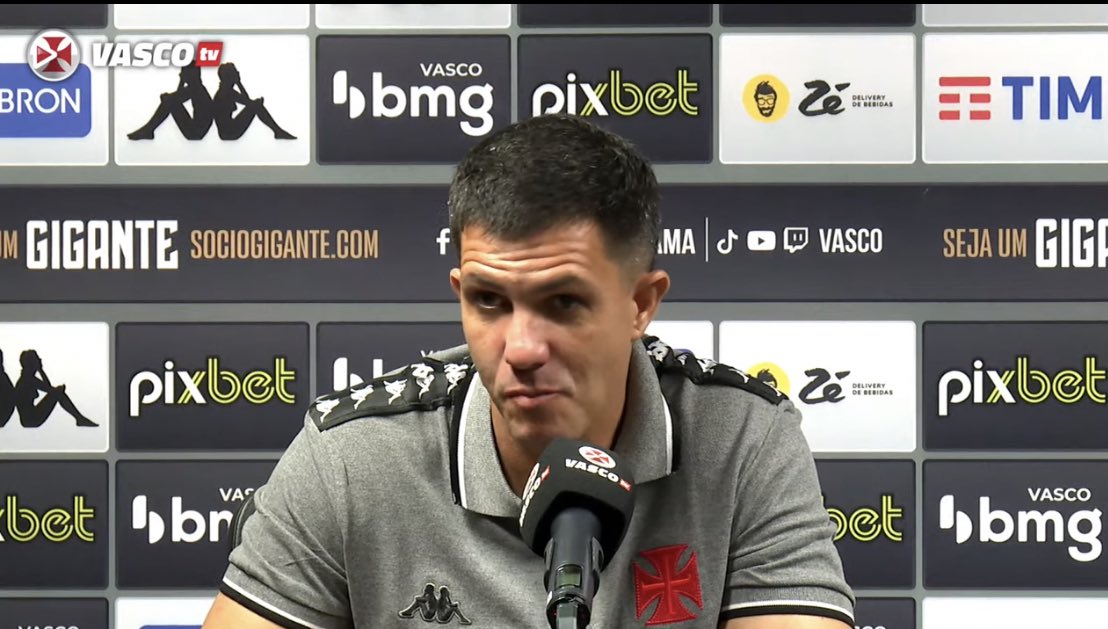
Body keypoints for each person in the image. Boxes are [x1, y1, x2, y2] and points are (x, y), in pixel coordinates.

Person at [202, 113, 854, 628]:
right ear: (459, 290)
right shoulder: (351, 460)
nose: (520, 348)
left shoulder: (743, 441)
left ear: (640, 304)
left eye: (563, 303)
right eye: (488, 300)